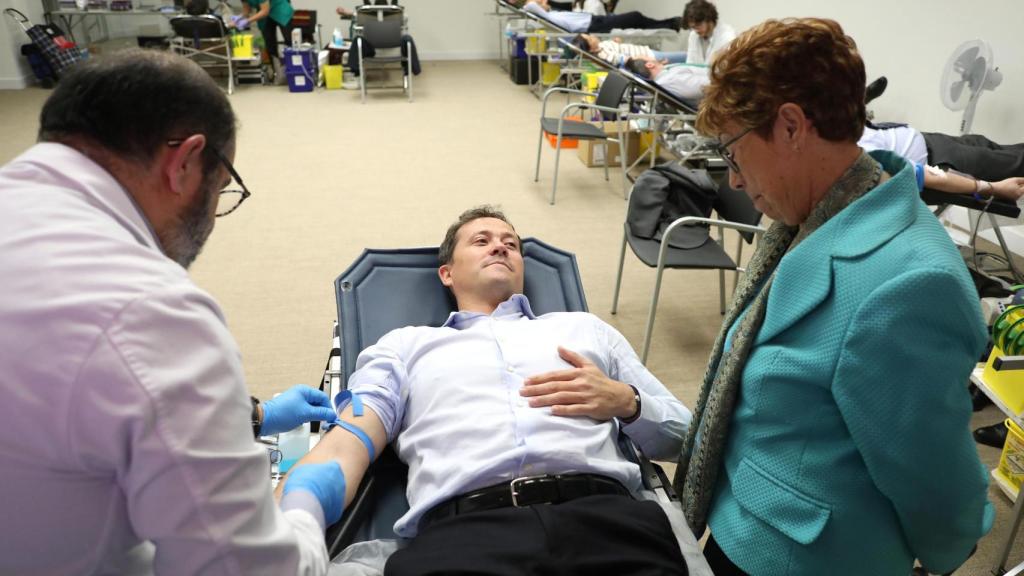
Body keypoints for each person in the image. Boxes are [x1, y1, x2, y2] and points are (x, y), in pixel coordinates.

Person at [0, 50, 344, 575]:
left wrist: (254, 417)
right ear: (184, 161)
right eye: (221, 190)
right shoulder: (152, 311)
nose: (212, 215)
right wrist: (303, 506)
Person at [671, 18, 993, 576]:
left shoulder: (910, 283)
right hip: (739, 520)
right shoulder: (813, 217)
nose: (736, 180)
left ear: (791, 126)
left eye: (733, 153)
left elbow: (934, 475)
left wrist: (944, 551)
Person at [279, 206, 711, 575]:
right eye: (481, 240)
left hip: (608, 521)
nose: (500, 246)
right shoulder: (403, 346)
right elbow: (345, 446)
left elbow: (689, 440)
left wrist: (628, 403)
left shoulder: (586, 329)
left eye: (510, 242)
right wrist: (295, 519)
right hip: (464, 536)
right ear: (446, 272)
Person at [858, 124, 1024, 200]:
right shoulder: (864, 157)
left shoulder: (841, 125)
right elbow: (929, 176)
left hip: (930, 140)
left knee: (985, 143)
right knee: (1016, 163)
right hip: (940, 164)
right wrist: (994, 189)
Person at [522, 0, 681, 34]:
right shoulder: (550, 17)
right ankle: (668, 24)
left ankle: (668, 24)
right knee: (635, 16)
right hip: (595, 25)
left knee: (635, 18)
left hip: (596, 20)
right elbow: (530, 6)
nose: (542, 1)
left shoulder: (552, 13)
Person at [229, 0, 293, 78]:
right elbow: (246, 11)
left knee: (290, 40)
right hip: (264, 14)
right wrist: (238, 18)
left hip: (279, 8)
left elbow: (265, 11)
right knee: (269, 44)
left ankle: (294, 69)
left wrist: (247, 21)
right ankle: (277, 73)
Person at [626, 56, 709, 107]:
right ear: (650, 65)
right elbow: (712, 86)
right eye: (646, 56)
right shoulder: (671, 80)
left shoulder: (666, 74)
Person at [573, 33, 688, 66]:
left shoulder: (601, 46)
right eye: (589, 39)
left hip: (647, 52)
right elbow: (629, 60)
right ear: (591, 50)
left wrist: (616, 43)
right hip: (650, 56)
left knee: (686, 58)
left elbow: (618, 50)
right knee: (686, 56)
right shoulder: (604, 55)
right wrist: (654, 62)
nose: (592, 36)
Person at [681, 0, 734, 65]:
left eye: (698, 25)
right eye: (693, 27)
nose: (696, 30)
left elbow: (727, 68)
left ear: (709, 19)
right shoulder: (693, 35)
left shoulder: (728, 37)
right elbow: (690, 63)